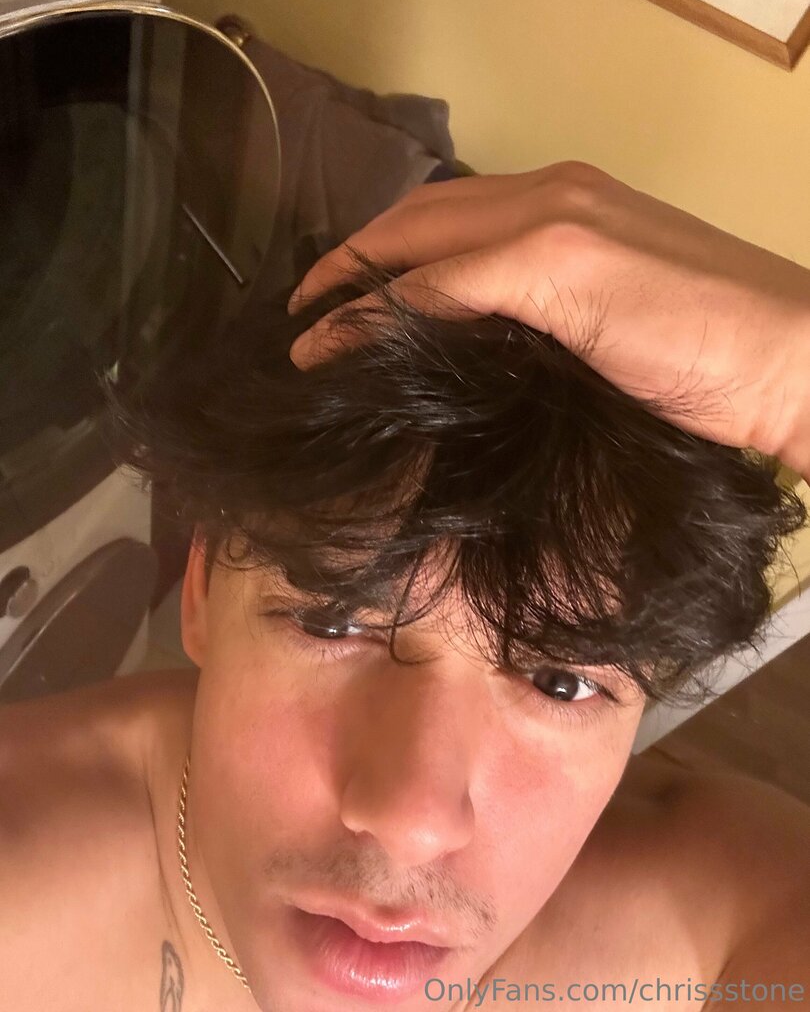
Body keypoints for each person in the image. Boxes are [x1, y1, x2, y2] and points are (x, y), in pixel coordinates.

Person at [2, 162, 810, 1012]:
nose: (411, 822)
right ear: (201, 584)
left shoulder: (718, 928)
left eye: (560, 681)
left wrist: (796, 378)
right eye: (333, 620)